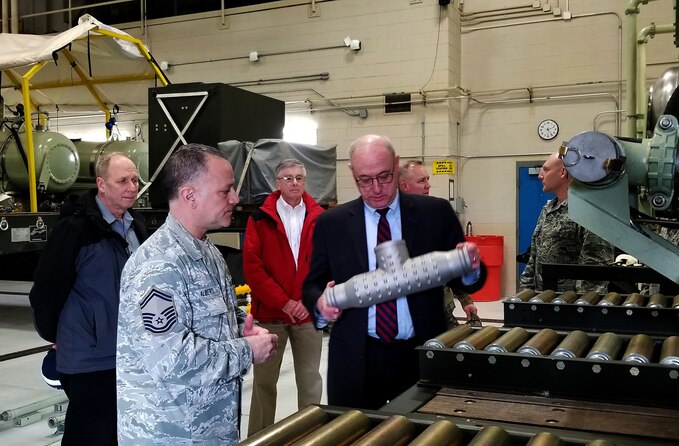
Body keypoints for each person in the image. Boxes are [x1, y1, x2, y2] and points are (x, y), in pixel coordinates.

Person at [302, 134, 486, 410]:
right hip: (356, 359)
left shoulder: (434, 212)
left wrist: (470, 268)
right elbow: (312, 285)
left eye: (384, 176)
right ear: (352, 173)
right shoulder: (332, 223)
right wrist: (320, 305)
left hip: (421, 355)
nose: (376, 188)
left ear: (397, 165)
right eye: (365, 180)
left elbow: (470, 280)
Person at [116, 144, 278, 444]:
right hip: (171, 435)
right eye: (225, 191)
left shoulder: (207, 251)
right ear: (190, 195)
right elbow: (172, 360)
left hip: (208, 430)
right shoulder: (158, 265)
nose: (235, 198)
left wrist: (240, 324)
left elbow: (209, 311)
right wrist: (247, 350)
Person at [28, 152, 148, 445]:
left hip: (128, 352)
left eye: (134, 180)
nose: (132, 187)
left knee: (121, 431)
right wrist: (54, 333)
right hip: (89, 356)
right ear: (101, 185)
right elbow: (47, 288)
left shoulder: (137, 226)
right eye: (122, 181)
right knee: (89, 434)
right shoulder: (76, 229)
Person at [243, 159, 324, 434]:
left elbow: (324, 264)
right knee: (264, 384)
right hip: (270, 316)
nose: (295, 183)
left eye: (299, 178)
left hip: (307, 315)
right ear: (277, 183)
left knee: (310, 381)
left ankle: (310, 436)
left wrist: (305, 302)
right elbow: (253, 267)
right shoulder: (259, 218)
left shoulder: (319, 216)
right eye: (288, 178)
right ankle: (259, 437)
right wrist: (285, 302)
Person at [398, 159, 479, 328]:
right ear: (404, 186)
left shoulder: (437, 216)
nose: (428, 185)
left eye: (427, 179)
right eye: (421, 181)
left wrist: (466, 300)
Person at [518, 152, 614, 293]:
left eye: (546, 169)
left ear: (563, 172)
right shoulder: (548, 209)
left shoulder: (589, 212)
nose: (540, 176)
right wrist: (525, 293)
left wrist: (581, 306)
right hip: (543, 300)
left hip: (569, 305)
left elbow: (594, 269)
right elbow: (534, 257)